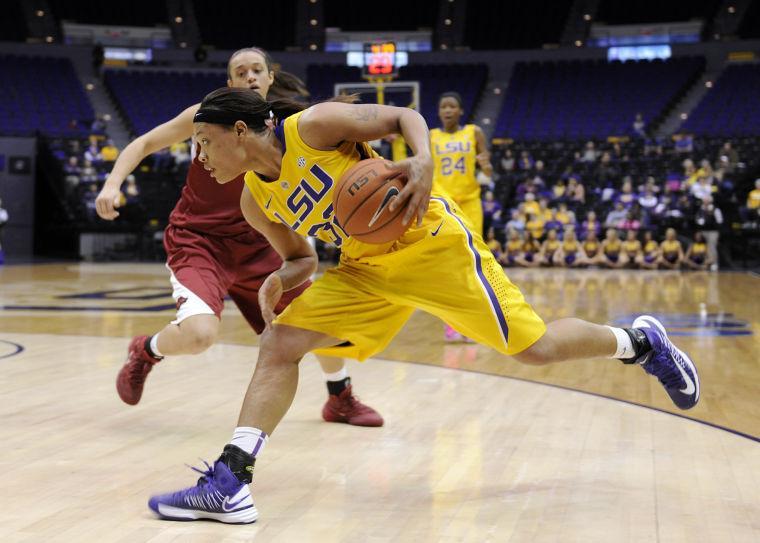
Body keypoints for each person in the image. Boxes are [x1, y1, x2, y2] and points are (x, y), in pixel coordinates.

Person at [147, 87, 700, 523]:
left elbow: (405, 116)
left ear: (239, 131)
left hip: (428, 242)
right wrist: (281, 276)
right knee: (279, 343)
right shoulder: (252, 200)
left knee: (536, 348)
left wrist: (423, 161)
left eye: (202, 141)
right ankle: (231, 482)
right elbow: (301, 258)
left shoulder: (312, 126)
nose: (198, 156)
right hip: (364, 269)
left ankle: (639, 343)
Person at [95, 47, 382, 426]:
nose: (249, 76)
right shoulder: (207, 117)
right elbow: (146, 142)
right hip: (200, 240)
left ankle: (339, 397)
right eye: (240, 72)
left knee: (314, 322)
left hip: (261, 245)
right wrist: (112, 184)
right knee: (199, 336)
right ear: (230, 82)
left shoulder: (291, 126)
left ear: (269, 78)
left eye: (256, 70)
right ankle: (146, 351)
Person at [430, 91, 493, 342]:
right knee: (448, 264)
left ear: (460, 111)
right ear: (439, 111)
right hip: (442, 204)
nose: (447, 110)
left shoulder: (474, 132)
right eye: (443, 106)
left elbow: (487, 169)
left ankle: (473, 323)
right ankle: (452, 323)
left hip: (469, 202)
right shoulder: (430, 136)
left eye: (452, 106)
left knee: (473, 261)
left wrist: (487, 166)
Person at [0, 198, 8, 264]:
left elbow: (4, 220)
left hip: (1, 228)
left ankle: (1, 259)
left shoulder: (3, 211)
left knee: (0, 244)